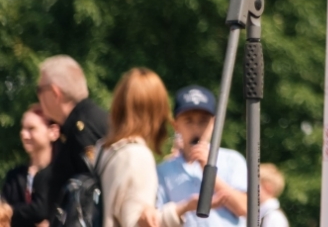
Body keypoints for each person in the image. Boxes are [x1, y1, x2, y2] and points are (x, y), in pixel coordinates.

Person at [25, 55, 109, 226]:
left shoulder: (82, 130)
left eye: (39, 90)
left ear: (55, 93)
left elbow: (98, 192)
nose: (38, 97)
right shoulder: (79, 124)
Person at [149, 86, 247, 227]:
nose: (196, 128)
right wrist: (188, 206)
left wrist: (210, 170)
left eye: (203, 121)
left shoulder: (233, 160)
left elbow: (244, 208)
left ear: (214, 123)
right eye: (188, 121)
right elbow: (158, 219)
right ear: (176, 125)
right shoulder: (163, 171)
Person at [97, 69, 171, 227]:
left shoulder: (103, 149)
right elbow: (137, 222)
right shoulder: (138, 156)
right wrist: (179, 212)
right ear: (157, 111)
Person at [1, 105, 58, 227]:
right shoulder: (14, 176)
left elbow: (44, 210)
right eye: (23, 129)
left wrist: (11, 211)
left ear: (53, 132)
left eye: (31, 129)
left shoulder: (62, 173)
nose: (24, 135)